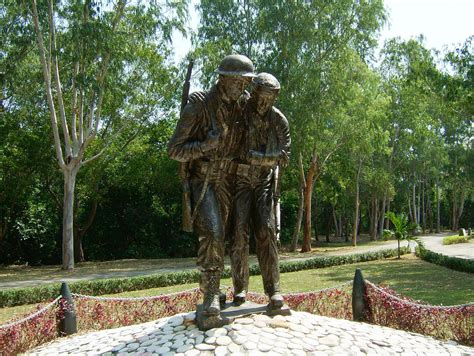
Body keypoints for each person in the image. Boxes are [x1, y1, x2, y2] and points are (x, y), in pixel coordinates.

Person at [168, 55, 254, 318]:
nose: (241, 87)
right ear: (222, 79)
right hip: (203, 181)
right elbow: (175, 150)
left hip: (230, 182)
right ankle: (211, 296)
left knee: (237, 235)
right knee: (213, 234)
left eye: (245, 82)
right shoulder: (199, 104)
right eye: (236, 81)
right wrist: (205, 146)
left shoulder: (242, 106)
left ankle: (235, 289)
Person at [229, 72, 291, 311]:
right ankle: (240, 288)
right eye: (260, 98)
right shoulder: (240, 112)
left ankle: (274, 290)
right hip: (239, 181)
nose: (264, 104)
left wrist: (258, 158)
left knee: (266, 231)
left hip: (264, 182)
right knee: (238, 234)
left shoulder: (278, 120)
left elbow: (284, 157)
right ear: (253, 94)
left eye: (269, 99)